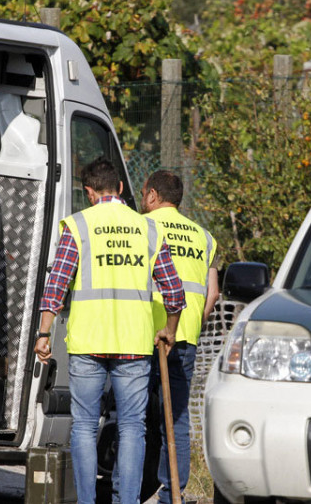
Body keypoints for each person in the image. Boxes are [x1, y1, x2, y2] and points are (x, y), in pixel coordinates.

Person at [33, 158, 185, 504]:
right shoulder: (148, 228)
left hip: (88, 343)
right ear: (119, 188)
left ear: (89, 192)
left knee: (85, 427)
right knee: (133, 428)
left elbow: (56, 286)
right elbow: (174, 294)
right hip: (133, 345)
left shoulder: (78, 225)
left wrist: (44, 334)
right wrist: (170, 330)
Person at [141, 170, 219, 504]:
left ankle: (130, 488)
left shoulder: (143, 227)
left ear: (153, 195)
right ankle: (173, 491)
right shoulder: (204, 236)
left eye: (144, 194)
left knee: (135, 417)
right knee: (177, 418)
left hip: (145, 333)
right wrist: (190, 324)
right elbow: (212, 293)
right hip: (184, 337)